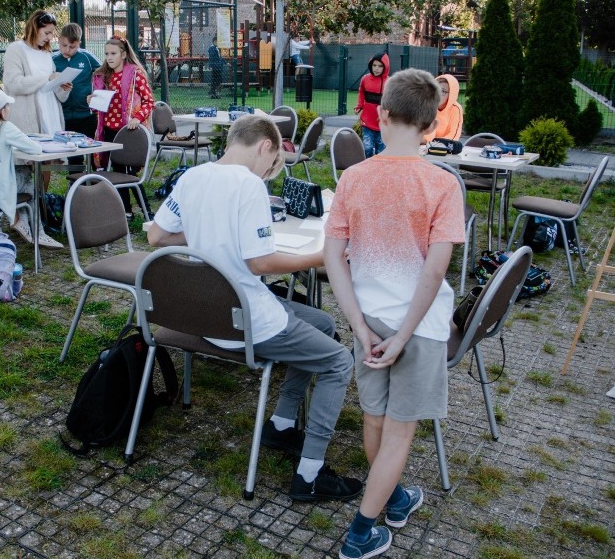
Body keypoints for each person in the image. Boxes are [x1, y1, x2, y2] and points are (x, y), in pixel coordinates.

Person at [148, 114, 362, 503]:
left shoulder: (192, 176)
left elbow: (156, 235)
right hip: (247, 320)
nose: (269, 172)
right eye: (272, 163)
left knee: (323, 323)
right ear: (266, 145)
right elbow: (259, 263)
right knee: (338, 363)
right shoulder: (249, 185)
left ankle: (281, 424)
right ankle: (310, 475)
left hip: (208, 314)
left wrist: (203, 234)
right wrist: (321, 256)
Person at [323, 68, 465, 558]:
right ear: (432, 127)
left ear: (381, 114)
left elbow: (332, 258)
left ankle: (397, 498)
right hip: (419, 329)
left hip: (370, 322)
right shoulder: (443, 185)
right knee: (399, 430)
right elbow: (434, 272)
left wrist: (359, 326)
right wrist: (405, 335)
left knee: (375, 420)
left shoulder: (353, 178)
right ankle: (361, 532)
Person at [0, 86, 62, 249]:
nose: (9, 108)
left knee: (27, 183)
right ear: (1, 110)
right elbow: (35, 149)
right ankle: (34, 230)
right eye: (7, 106)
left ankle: (21, 219)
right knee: (27, 178)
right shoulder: (5, 127)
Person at [2, 9, 72, 204]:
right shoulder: (16, 49)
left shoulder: (47, 53)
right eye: (47, 32)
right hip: (26, 117)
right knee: (27, 163)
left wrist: (63, 86)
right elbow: (14, 84)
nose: (50, 37)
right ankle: (21, 211)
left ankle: (40, 206)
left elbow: (55, 91)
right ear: (35, 27)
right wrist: (47, 78)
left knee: (46, 162)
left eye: (51, 33)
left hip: (49, 114)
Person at [87, 35, 155, 220]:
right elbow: (100, 107)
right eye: (107, 53)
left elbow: (149, 101)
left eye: (113, 53)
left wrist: (138, 117)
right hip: (107, 130)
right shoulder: (102, 76)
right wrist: (92, 101)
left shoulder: (134, 73)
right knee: (115, 171)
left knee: (129, 172)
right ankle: (126, 211)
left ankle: (147, 211)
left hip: (127, 131)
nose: (109, 57)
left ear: (123, 54)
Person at [53, 22, 102, 167]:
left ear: (79, 43)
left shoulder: (86, 57)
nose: (67, 50)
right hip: (65, 116)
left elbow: (102, 72)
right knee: (73, 155)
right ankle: (76, 186)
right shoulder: (53, 59)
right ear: (59, 40)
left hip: (87, 115)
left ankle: (95, 184)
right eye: (63, 45)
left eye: (72, 47)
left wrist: (96, 93)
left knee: (92, 153)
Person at [354, 53, 390, 158]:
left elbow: (393, 100)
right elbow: (361, 92)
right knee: (367, 148)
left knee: (381, 150)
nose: (376, 69)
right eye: (374, 65)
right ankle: (367, 168)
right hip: (367, 121)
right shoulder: (365, 79)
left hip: (382, 124)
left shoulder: (389, 82)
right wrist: (359, 105)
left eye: (380, 66)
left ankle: (379, 171)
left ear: (385, 67)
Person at [424, 73, 463, 143]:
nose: (438, 94)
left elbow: (454, 136)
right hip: (425, 146)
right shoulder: (428, 105)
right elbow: (424, 132)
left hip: (446, 148)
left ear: (451, 94)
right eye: (436, 89)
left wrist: (435, 144)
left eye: (443, 91)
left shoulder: (456, 109)